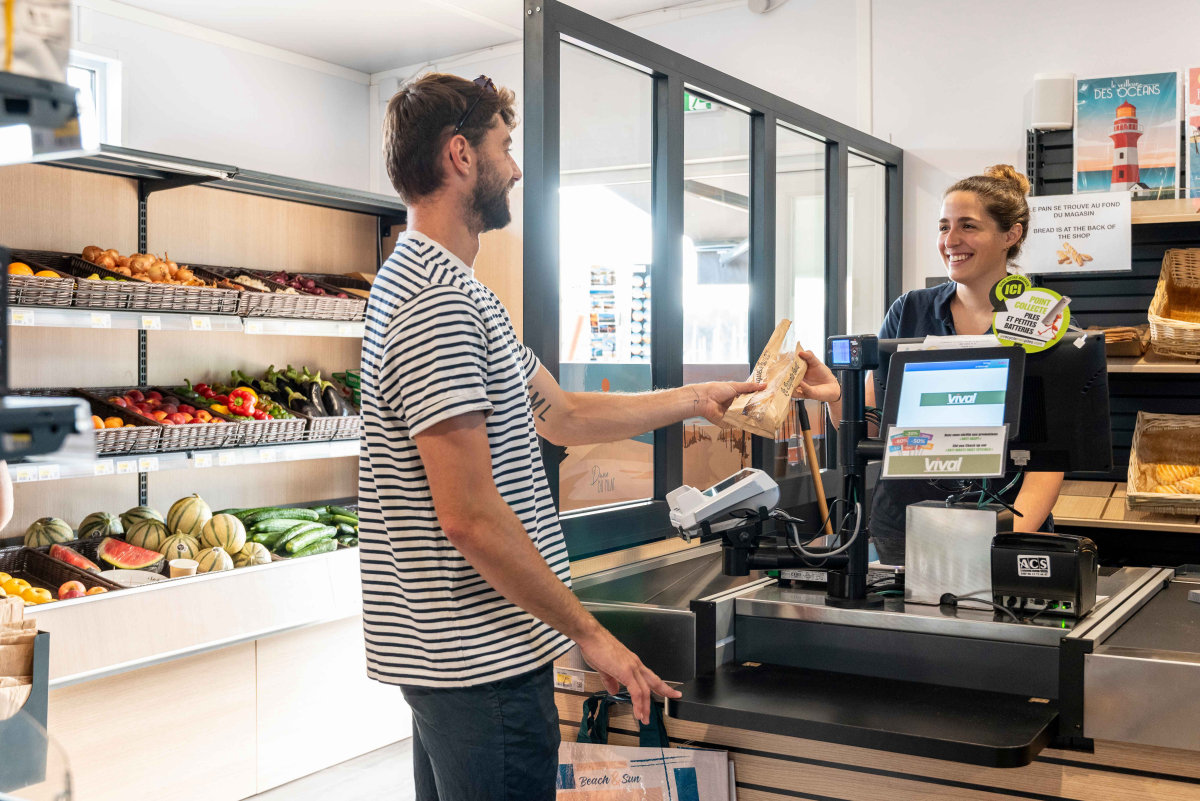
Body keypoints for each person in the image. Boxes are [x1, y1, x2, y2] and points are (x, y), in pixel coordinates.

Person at [359, 73, 764, 801]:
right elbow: (470, 516)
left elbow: (563, 415)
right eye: (504, 147)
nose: (514, 168)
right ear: (460, 155)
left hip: (462, 662)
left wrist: (698, 399)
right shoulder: (436, 304)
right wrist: (591, 632)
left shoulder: (453, 290)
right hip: (483, 665)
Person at [794, 165, 1063, 565]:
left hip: (1006, 526)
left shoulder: (1042, 321)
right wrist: (837, 396)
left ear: (1011, 234)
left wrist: (1007, 541)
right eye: (943, 226)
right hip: (904, 527)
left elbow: (1050, 460)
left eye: (968, 226)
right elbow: (871, 427)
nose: (950, 241)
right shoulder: (909, 311)